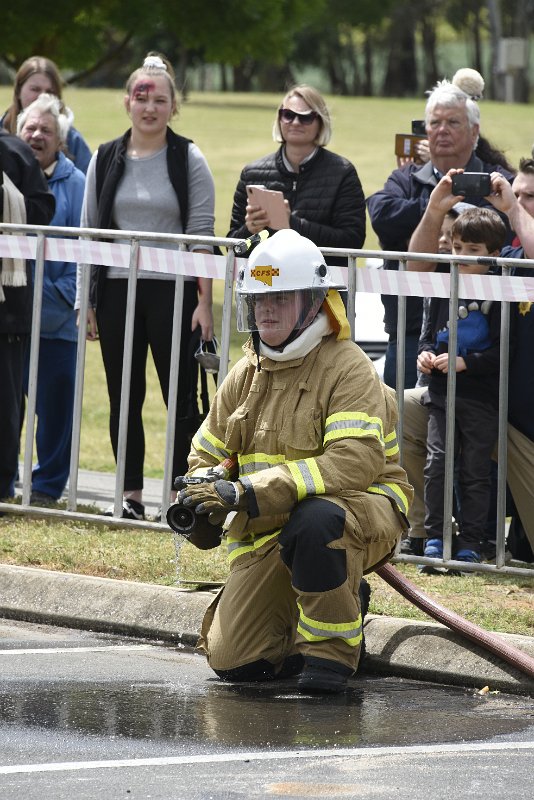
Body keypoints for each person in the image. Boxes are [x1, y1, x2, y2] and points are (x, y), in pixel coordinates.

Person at [173, 229, 412, 695]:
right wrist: (203, 494)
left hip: (358, 512)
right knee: (236, 663)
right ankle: (328, 602)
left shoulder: (347, 365)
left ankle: (331, 659)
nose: (265, 310)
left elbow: (353, 462)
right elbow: (207, 451)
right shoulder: (248, 370)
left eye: (279, 299)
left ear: (312, 302)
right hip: (271, 529)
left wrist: (250, 493)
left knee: (316, 520)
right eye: (258, 299)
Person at [77, 53, 216, 521]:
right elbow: (89, 233)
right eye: (142, 97)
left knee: (177, 396)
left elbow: (201, 235)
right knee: (124, 396)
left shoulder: (188, 157)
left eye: (160, 99)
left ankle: (179, 497)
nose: (150, 107)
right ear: (127, 103)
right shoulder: (105, 157)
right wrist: (87, 302)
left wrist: (204, 303)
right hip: (117, 293)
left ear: (173, 107)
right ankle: (130, 496)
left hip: (173, 295)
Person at [401, 165, 534, 564]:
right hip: (474, 401)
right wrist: (434, 210)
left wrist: (511, 209)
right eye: (517, 193)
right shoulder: (500, 258)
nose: (519, 202)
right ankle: (427, 532)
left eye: (531, 198)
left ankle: (481, 539)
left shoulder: (513, 257)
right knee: (392, 409)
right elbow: (417, 270)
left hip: (525, 434)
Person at [367, 78, 514, 390]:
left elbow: (508, 229)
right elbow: (382, 218)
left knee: (477, 433)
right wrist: (433, 205)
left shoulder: (500, 184)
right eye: (435, 123)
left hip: (487, 337)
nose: (442, 130)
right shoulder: (404, 179)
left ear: (474, 132)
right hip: (410, 330)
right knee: (402, 426)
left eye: (453, 122)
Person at [416, 203, 507, 568]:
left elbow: (505, 350)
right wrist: (424, 356)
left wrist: (466, 362)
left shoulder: (502, 290)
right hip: (441, 394)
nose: (461, 257)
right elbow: (425, 337)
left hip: (481, 397)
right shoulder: (441, 285)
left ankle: (470, 540)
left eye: (472, 251)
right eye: (456, 249)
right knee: (437, 463)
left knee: (474, 469)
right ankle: (436, 536)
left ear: (493, 255)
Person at [16, 94, 85, 505]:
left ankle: (46, 488)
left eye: (46, 130)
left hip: (58, 322)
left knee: (56, 412)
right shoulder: (7, 175)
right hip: (12, 324)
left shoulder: (78, 184)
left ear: (60, 140)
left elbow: (84, 257)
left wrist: (43, 297)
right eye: (30, 129)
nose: (37, 136)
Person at [227, 85, 366, 261]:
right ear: (279, 119)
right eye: (288, 115)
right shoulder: (251, 173)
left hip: (322, 284)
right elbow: (235, 249)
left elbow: (352, 242)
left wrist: (292, 225)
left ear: (321, 122)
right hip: (266, 282)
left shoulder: (343, 173)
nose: (295, 122)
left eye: (306, 117)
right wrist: (251, 231)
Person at [0, 129, 55, 502]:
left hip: (7, 309)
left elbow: (41, 211)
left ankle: (1, 487)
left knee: (4, 406)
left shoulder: (15, 152)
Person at [1, 56, 92, 174]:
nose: (42, 96)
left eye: (50, 92)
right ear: (18, 91)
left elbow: (88, 185)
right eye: (35, 89)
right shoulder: (1, 133)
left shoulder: (72, 140)